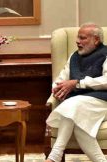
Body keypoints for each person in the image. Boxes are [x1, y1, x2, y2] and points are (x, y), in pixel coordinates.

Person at [45, 23, 107, 162]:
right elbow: (61, 78)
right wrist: (57, 88)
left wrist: (78, 83)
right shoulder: (74, 56)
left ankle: (54, 156)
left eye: (82, 38)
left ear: (96, 40)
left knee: (72, 105)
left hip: (103, 102)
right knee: (79, 124)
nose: (77, 41)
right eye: (77, 37)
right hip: (80, 104)